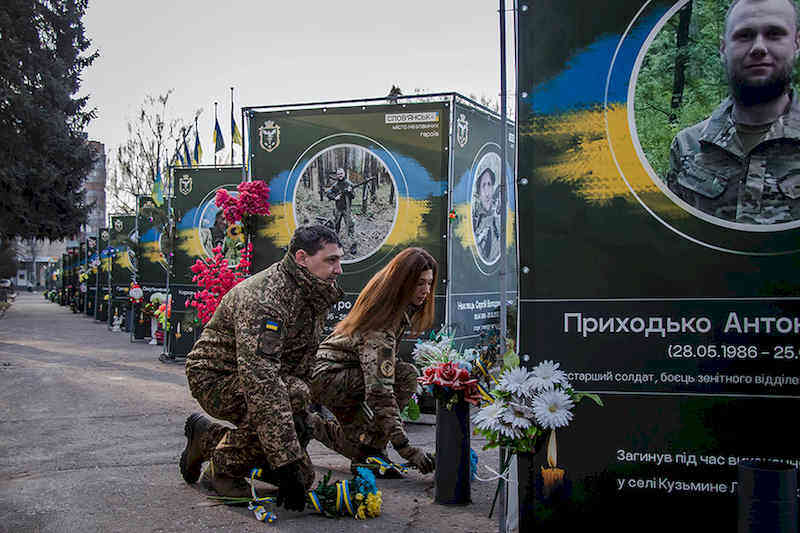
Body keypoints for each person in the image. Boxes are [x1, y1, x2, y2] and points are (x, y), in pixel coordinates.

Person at [179, 225, 344, 511]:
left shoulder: (310, 290)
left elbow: (298, 364)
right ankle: (222, 470)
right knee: (293, 401)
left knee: (303, 478)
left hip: (267, 380)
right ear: (302, 258)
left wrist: (298, 428)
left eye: (339, 259)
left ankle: (206, 439)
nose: (339, 269)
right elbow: (261, 381)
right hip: (216, 379)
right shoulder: (267, 298)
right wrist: (285, 459)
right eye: (331, 260)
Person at [666, 0, 800, 225]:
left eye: (774, 33)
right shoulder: (688, 147)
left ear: (796, 43)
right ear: (723, 48)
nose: (759, 47)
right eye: (744, 35)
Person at [310, 247, 437, 477]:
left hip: (342, 374)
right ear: (402, 282)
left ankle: (310, 425)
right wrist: (406, 449)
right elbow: (380, 393)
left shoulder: (394, 307)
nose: (426, 291)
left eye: (429, 283)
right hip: (330, 378)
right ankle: (370, 449)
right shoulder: (382, 324)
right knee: (406, 375)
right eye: (419, 283)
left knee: (359, 447)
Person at [472, 168, 501, 261]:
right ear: (478, 192)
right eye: (483, 185)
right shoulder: (474, 220)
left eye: (489, 184)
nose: (486, 190)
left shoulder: (501, 214)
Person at [326, 168, 355, 236]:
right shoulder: (335, 185)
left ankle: (351, 238)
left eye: (341, 173)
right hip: (338, 208)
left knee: (350, 224)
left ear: (344, 174)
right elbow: (328, 194)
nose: (340, 175)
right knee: (336, 224)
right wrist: (335, 197)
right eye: (338, 174)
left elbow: (353, 196)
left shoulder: (349, 184)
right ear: (336, 175)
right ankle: (336, 236)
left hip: (347, 208)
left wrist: (350, 192)